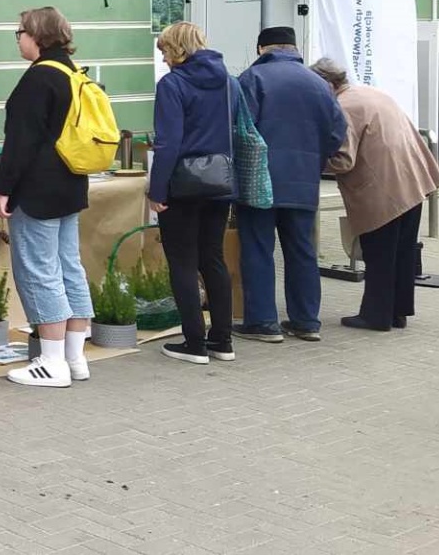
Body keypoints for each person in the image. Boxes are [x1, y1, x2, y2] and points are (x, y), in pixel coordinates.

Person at [0, 7, 93, 388]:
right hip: (71, 183)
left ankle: (51, 362)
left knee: (39, 270)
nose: (18, 39)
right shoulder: (73, 72)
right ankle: (75, 358)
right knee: (69, 267)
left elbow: (21, 141)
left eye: (20, 32)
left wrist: (4, 188)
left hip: (37, 190)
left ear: (36, 35)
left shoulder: (38, 78)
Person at [313, 59, 439, 332]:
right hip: (413, 181)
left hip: (382, 191)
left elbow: (343, 160)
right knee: (403, 252)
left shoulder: (343, 107)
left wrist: (308, 161)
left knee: (379, 254)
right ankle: (398, 312)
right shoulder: (370, 92)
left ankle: (376, 316)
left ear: (327, 85)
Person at [233, 27, 346, 344]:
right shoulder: (319, 84)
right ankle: (306, 321)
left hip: (259, 182)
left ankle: (263, 322)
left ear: (261, 48)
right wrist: (314, 159)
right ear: (294, 48)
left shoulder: (252, 79)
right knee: (302, 251)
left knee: (258, 250)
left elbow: (240, 130)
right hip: (303, 181)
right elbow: (337, 132)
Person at [148, 22, 236, 366]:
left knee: (182, 262)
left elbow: (168, 142)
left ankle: (195, 342)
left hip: (182, 185)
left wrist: (157, 190)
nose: (164, 59)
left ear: (176, 49)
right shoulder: (227, 81)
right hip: (219, 180)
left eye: (165, 51)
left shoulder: (172, 84)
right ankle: (222, 340)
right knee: (213, 258)